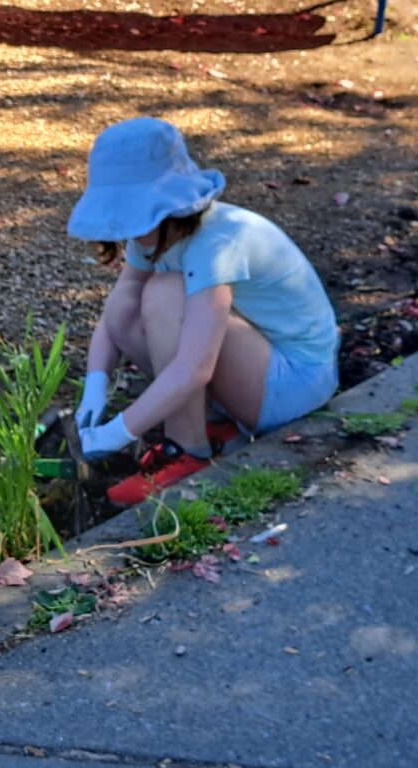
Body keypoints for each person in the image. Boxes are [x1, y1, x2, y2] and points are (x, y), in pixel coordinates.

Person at [67, 117, 339, 505]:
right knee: (129, 305)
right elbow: (119, 307)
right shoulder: (153, 233)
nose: (126, 226)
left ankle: (188, 449)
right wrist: (95, 385)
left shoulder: (216, 241)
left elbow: (196, 367)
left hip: (295, 382)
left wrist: (117, 432)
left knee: (164, 293)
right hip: (257, 370)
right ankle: (216, 426)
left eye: (132, 212)